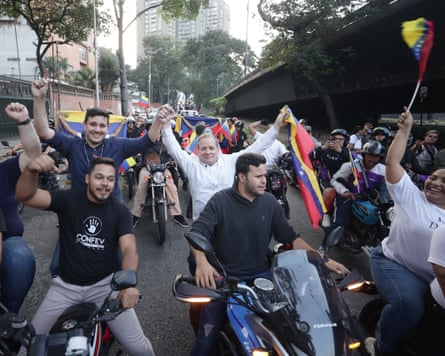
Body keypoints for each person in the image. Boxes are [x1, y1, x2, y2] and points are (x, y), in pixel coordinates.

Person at [188, 153, 350, 355]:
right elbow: (197, 233)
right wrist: (202, 262)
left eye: (265, 175)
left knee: (291, 328)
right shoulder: (220, 202)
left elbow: (290, 238)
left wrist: (322, 259)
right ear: (241, 177)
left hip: (262, 278)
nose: (265, 180)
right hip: (226, 280)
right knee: (206, 341)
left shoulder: (270, 202)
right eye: (258, 176)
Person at [15, 155, 155, 355]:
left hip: (105, 288)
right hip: (64, 288)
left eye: (110, 179)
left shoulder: (120, 212)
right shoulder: (68, 199)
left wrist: (128, 285)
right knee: (27, 349)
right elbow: (25, 196)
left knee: (140, 348)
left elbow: (129, 250)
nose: (104, 184)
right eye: (99, 177)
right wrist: (30, 171)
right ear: (88, 178)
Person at [366, 108, 445, 356]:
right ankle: (382, 347)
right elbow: (393, 162)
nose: (435, 183)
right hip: (395, 264)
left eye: (444, 183)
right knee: (408, 305)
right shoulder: (411, 196)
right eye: (433, 177)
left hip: (435, 281)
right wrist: (405, 130)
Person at [31, 73, 163, 201]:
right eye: (93, 124)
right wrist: (39, 99)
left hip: (111, 211)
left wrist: (158, 120)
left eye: (102, 126)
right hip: (79, 209)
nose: (97, 130)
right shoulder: (72, 144)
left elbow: (147, 141)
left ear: (107, 128)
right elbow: (44, 131)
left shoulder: (118, 145)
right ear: (85, 125)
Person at [151, 105, 288, 221]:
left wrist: (276, 126)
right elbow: (173, 147)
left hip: (230, 223)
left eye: (211, 148)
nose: (208, 152)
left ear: (218, 149)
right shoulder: (191, 163)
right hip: (202, 226)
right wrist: (166, 124)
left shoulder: (230, 161)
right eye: (203, 148)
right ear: (197, 150)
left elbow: (258, 146)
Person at [0, 102, 40, 313]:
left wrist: (24, 121)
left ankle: (9, 316)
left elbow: (33, 155)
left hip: (8, 241)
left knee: (20, 257)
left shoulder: (5, 171)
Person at [327, 140, 388, 238]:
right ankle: (324, 247)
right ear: (364, 155)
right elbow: (334, 181)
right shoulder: (351, 166)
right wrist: (345, 192)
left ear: (380, 158)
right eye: (370, 155)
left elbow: (385, 188)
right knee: (339, 222)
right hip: (349, 198)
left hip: (368, 201)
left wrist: (387, 201)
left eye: (375, 156)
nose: (372, 158)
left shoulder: (383, 170)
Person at [130, 144, 188, 228]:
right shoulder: (146, 141)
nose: (158, 133)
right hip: (147, 170)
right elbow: (136, 152)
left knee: (171, 185)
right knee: (142, 186)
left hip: (164, 170)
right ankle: (135, 215)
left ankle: (177, 214)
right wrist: (137, 159)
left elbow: (174, 153)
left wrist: (174, 160)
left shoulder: (166, 143)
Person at [310, 128, 350, 227]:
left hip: (343, 181)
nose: (337, 141)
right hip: (326, 179)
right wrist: (322, 148)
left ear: (345, 141)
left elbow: (354, 163)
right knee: (329, 192)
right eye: (335, 138)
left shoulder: (347, 152)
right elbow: (310, 156)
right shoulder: (325, 149)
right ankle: (326, 214)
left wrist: (341, 152)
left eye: (341, 139)